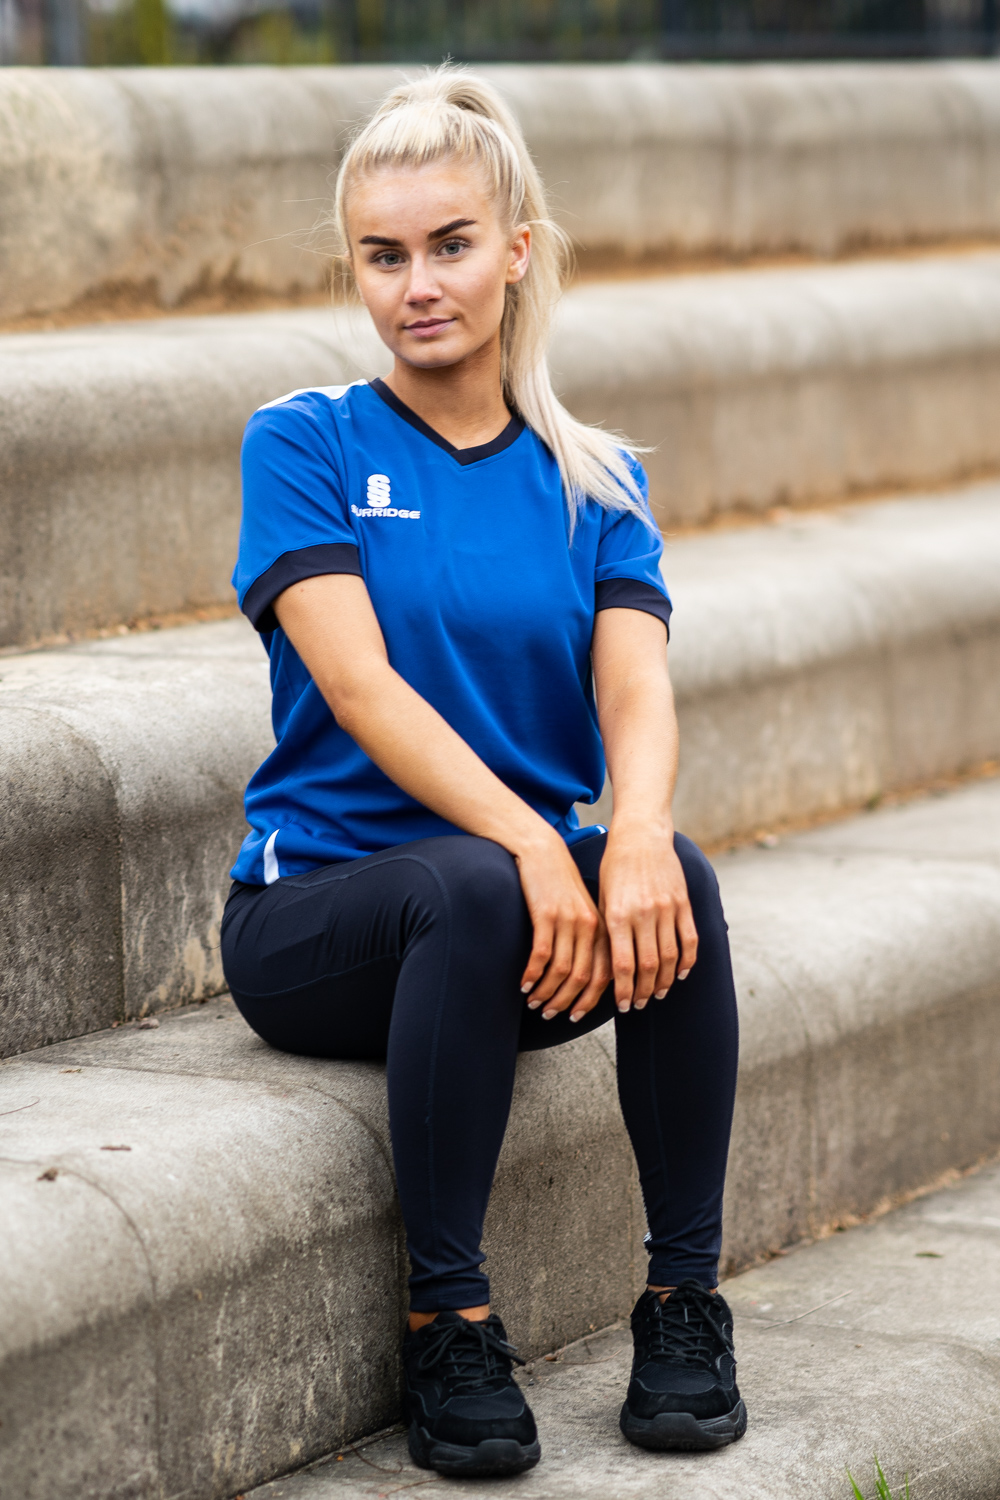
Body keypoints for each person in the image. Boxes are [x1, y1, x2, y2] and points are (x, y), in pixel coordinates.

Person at [222, 65, 743, 1480]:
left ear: (517, 251)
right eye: (382, 256)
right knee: (468, 883)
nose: (418, 286)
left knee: (681, 881)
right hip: (319, 920)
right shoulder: (307, 442)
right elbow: (359, 686)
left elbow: (634, 685)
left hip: (509, 924)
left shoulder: (598, 478)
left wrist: (638, 830)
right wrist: (532, 841)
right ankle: (447, 1321)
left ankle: (683, 1304)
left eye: (450, 245)